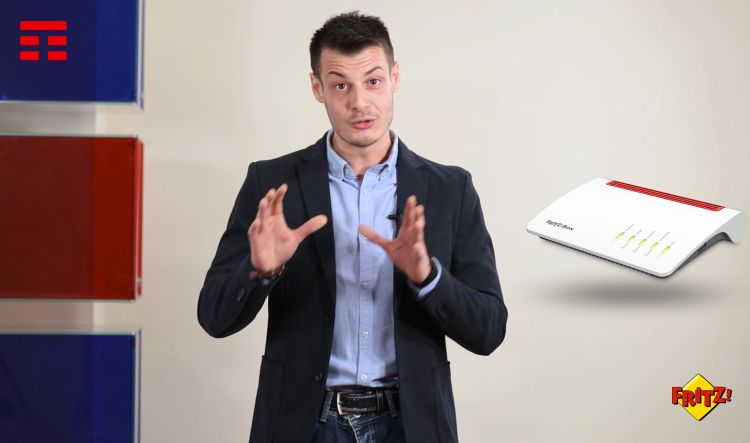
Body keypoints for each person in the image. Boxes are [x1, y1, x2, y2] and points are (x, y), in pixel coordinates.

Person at [198, 11, 507, 443]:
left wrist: (428, 278)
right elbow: (214, 318)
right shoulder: (271, 184)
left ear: (395, 78)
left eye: (373, 81)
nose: (360, 102)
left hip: (413, 426)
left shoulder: (450, 189)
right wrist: (260, 270)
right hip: (304, 426)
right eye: (341, 85)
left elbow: (489, 331)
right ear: (317, 88)